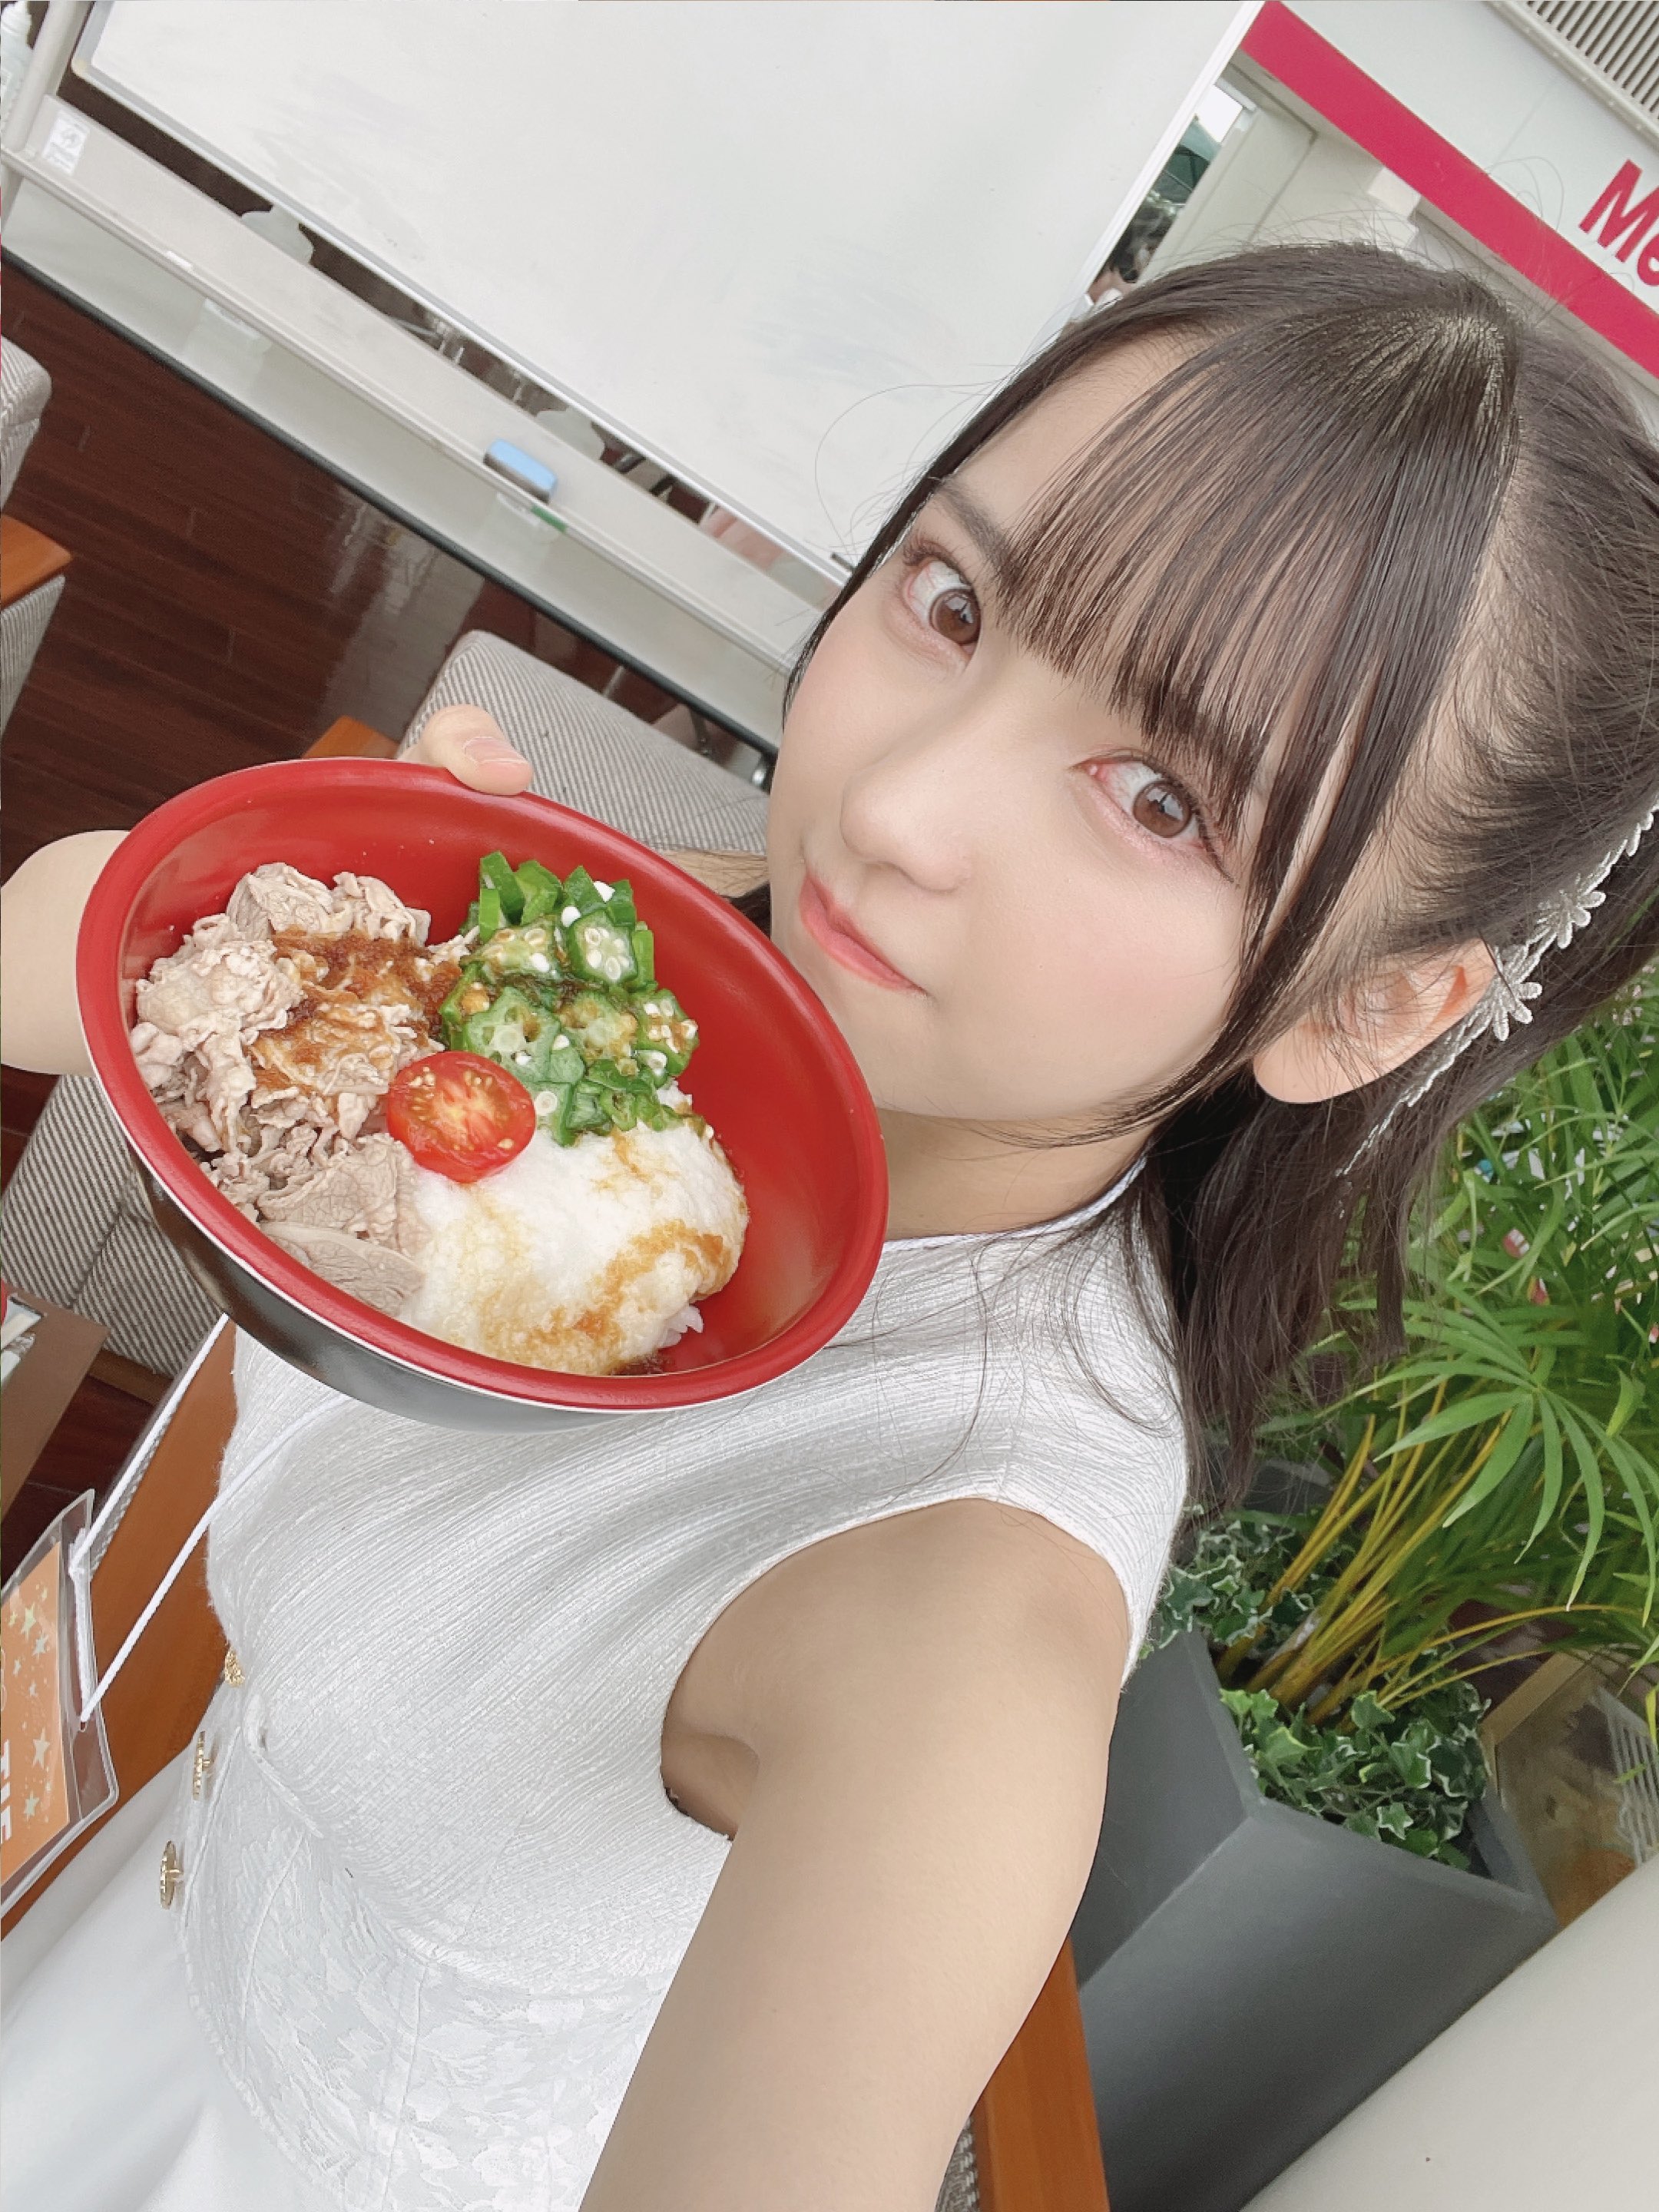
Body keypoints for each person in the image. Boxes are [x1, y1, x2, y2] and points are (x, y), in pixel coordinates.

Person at [3, 240, 1657, 2212]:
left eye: (1160, 799)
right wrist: (304, 923)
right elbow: (44, 958)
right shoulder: (694, 958)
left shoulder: (962, 1627)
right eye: (953, 602)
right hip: (119, 1889)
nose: (894, 808)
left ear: (1366, 1007)